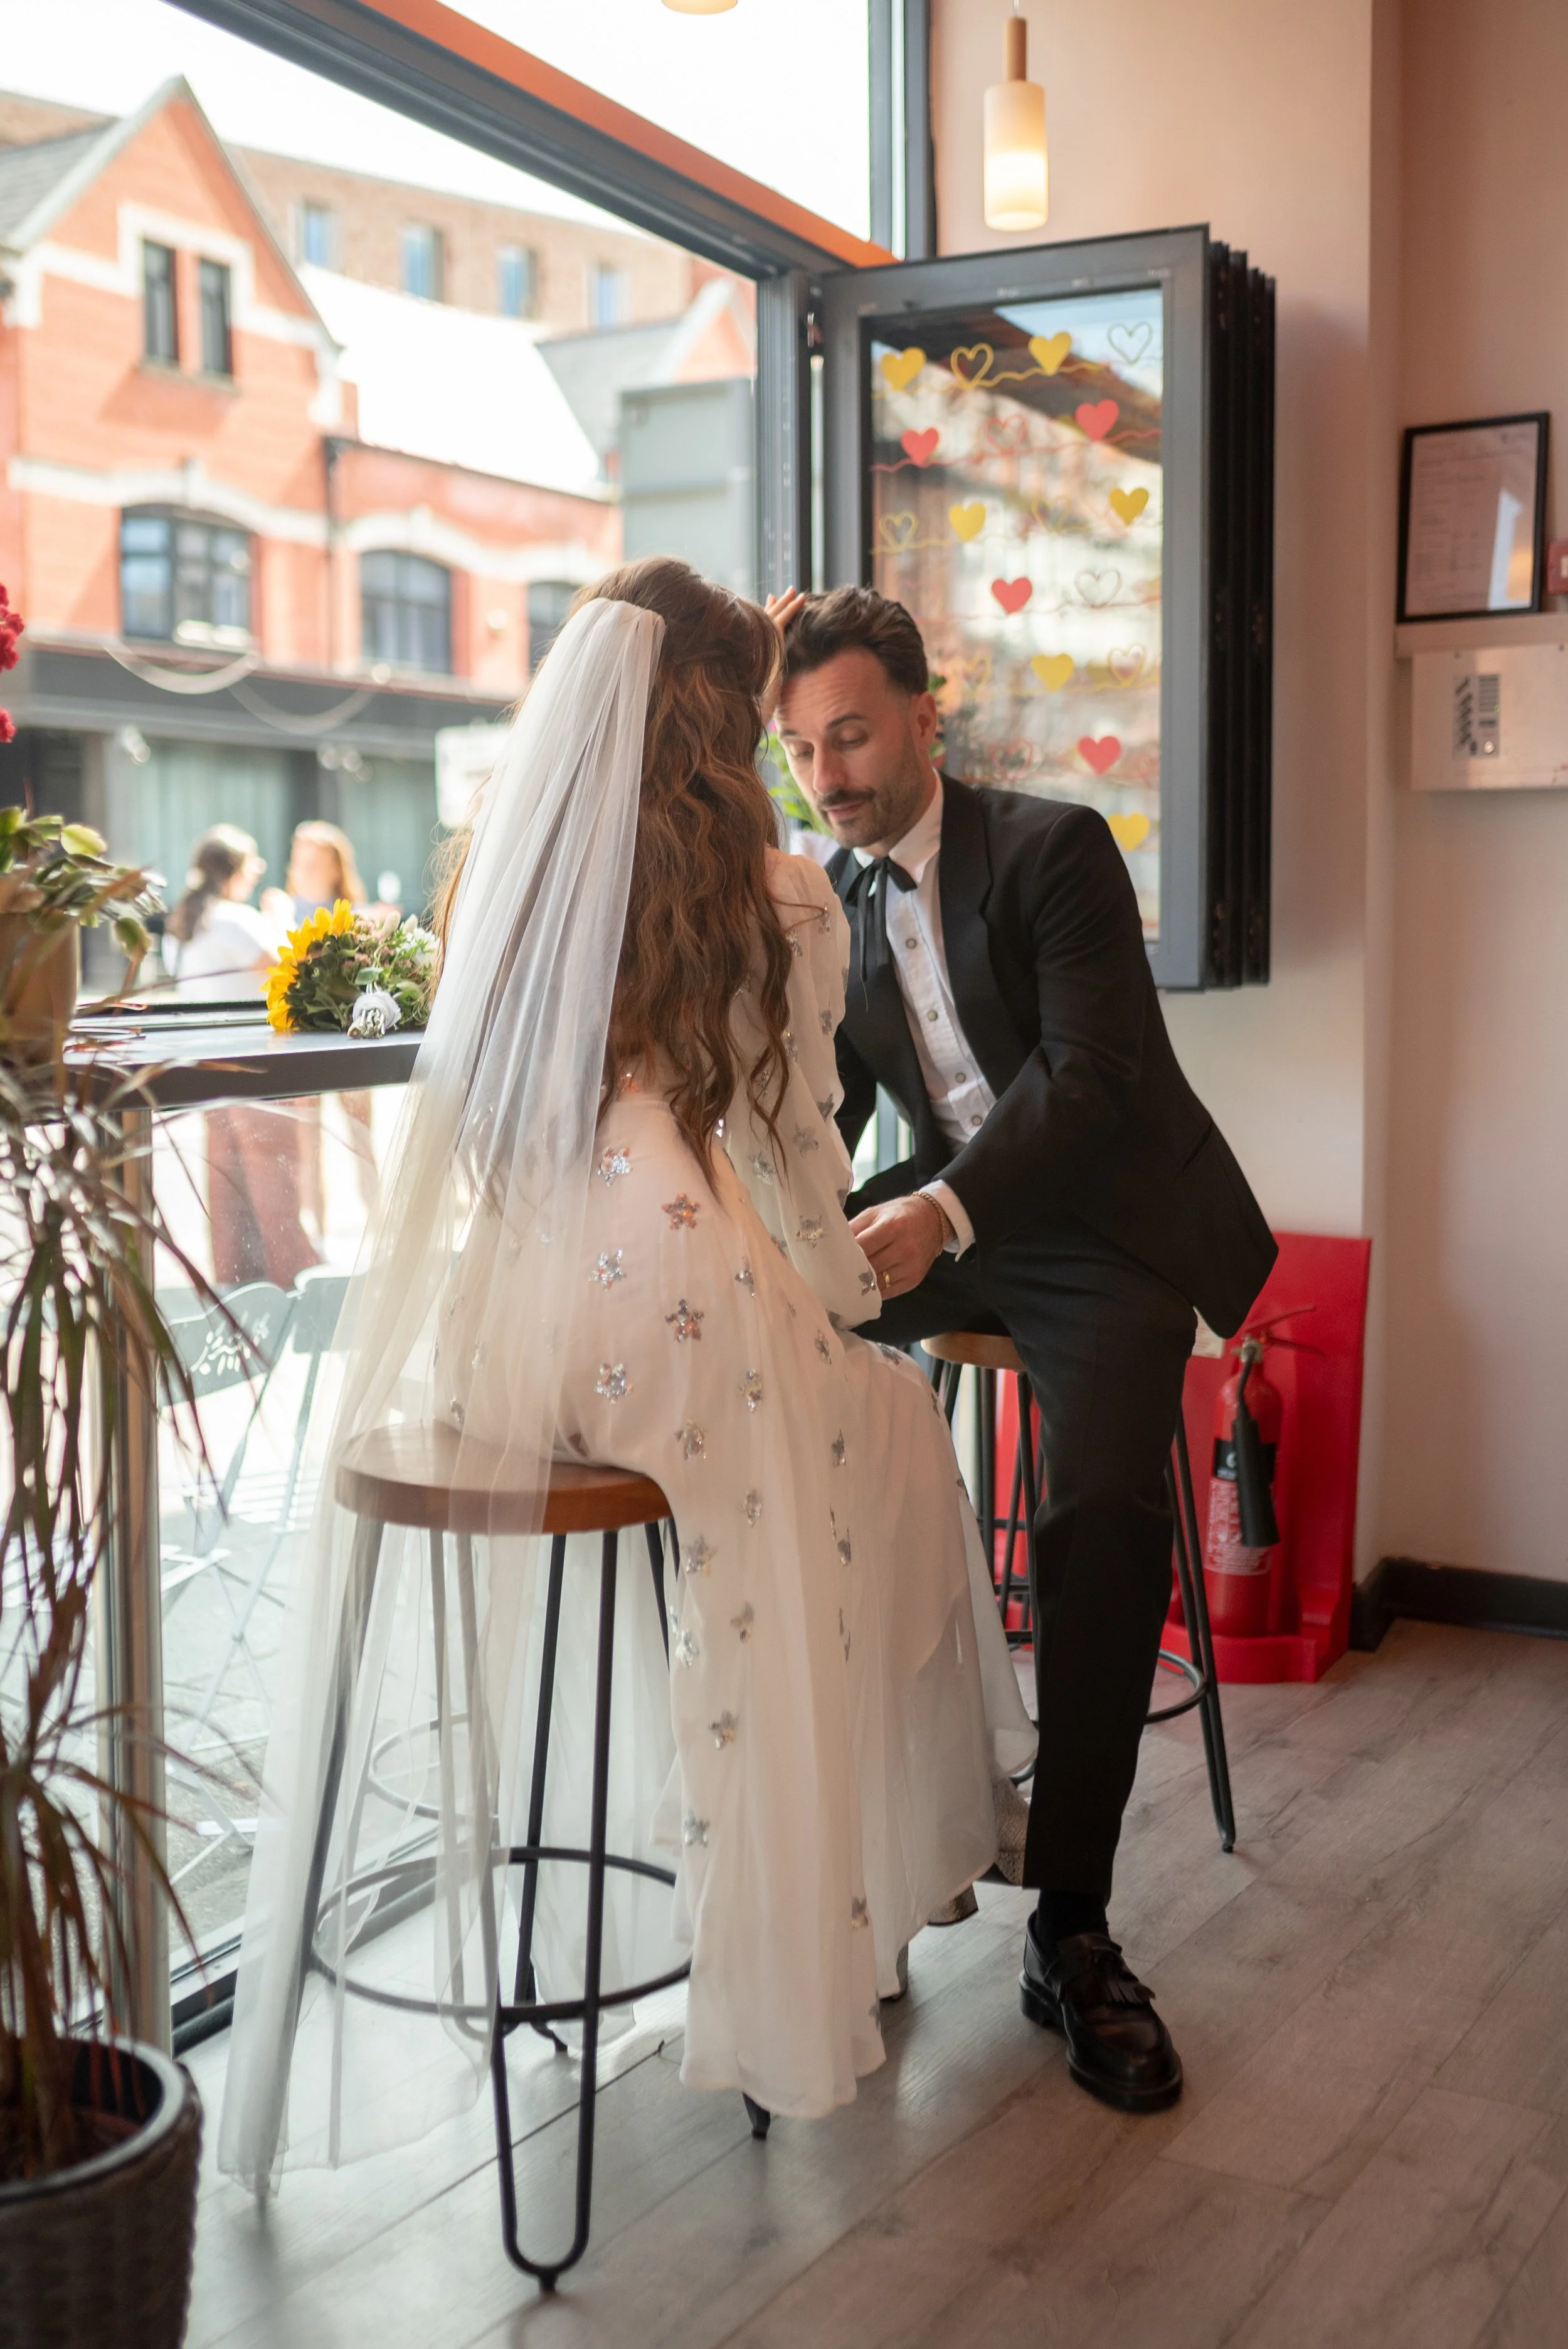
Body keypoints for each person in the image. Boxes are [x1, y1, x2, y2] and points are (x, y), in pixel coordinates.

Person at [219, 559, 1034, 2187]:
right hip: (680, 1305)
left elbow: (476, 1133)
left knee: (831, 1447)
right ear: (728, 724)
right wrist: (832, 1310)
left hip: (510, 1328)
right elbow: (799, 1165)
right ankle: (851, 1907)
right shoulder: (777, 895)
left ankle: (832, 1885)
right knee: (890, 1429)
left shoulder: (499, 880)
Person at [773, 586, 1277, 2117]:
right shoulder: (837, 900)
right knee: (764, 1329)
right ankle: (878, 1831)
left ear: (930, 715)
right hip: (967, 1220)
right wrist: (770, 1207)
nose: (830, 775)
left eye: (852, 733)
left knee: (1097, 1508)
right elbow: (842, 1098)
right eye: (800, 751)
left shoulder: (1053, 846)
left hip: (1108, 1226)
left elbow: (1093, 1082)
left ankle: (1071, 1927)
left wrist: (934, 1211)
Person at [166, 825, 319, 1291]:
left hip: (210, 1072)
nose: (258, 873)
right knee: (276, 1193)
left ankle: (240, 1295)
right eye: (252, 864)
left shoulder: (184, 923)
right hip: (257, 1069)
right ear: (233, 869)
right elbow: (289, 964)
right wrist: (280, 914)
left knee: (229, 1198)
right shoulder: (234, 919)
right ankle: (296, 1293)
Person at [263, 820, 380, 1225]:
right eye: (300, 860)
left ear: (336, 867)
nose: (305, 869)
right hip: (301, 1038)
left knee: (360, 1136)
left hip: (348, 1037)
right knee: (306, 1142)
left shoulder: (354, 916)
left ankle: (377, 1221)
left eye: (316, 861)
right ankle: (318, 1231)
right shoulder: (279, 912)